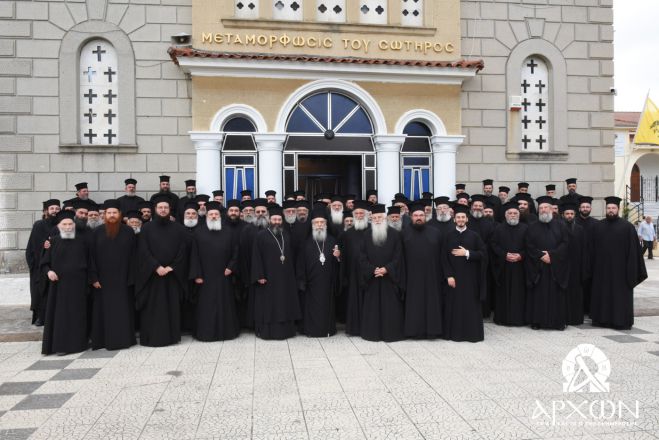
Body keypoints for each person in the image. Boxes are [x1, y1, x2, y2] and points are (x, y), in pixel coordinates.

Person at [135, 196, 188, 347]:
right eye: (160, 208)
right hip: (152, 276)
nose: (163, 210)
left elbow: (182, 250)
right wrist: (156, 267)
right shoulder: (146, 228)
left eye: (166, 207)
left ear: (169, 210)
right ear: (155, 210)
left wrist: (172, 267)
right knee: (152, 308)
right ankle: (152, 337)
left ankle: (171, 337)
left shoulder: (178, 228)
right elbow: (143, 251)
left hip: (172, 275)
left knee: (171, 307)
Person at [590, 197, 647, 330]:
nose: (611, 210)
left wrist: (631, 270)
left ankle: (620, 321)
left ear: (618, 209)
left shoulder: (627, 227)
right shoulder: (598, 226)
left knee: (619, 297)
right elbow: (592, 249)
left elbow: (634, 252)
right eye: (608, 208)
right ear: (606, 209)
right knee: (602, 295)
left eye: (613, 208)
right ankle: (601, 320)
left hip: (621, 272)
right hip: (601, 270)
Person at [88, 200, 137, 350]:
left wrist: (132, 277)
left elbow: (134, 256)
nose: (112, 215)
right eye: (109, 213)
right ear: (104, 215)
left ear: (120, 215)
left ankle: (124, 340)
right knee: (103, 312)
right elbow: (91, 257)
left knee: (123, 311)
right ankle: (102, 340)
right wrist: (94, 278)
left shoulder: (128, 232)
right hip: (102, 281)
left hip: (123, 281)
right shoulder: (96, 232)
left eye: (114, 212)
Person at [189, 202, 240, 341]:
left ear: (220, 216)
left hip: (224, 274)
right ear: (206, 215)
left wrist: (231, 267)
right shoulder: (198, 232)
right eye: (211, 214)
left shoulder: (228, 231)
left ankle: (227, 332)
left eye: (216, 214)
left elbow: (236, 251)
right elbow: (194, 255)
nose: (213, 216)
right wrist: (197, 274)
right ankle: (206, 333)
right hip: (205, 277)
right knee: (206, 306)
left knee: (225, 304)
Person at [41, 211, 91, 355]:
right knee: (61, 316)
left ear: (74, 225)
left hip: (78, 285)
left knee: (78, 315)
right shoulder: (53, 241)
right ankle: (61, 347)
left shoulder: (82, 241)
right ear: (59, 226)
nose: (68, 227)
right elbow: (44, 263)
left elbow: (90, 262)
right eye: (65, 224)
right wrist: (49, 272)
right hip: (59, 286)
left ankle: (78, 345)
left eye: (70, 224)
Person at [251, 205, 301, 339]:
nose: (277, 222)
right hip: (268, 277)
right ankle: (268, 332)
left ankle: (286, 331)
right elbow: (256, 257)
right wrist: (259, 275)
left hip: (286, 277)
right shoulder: (261, 235)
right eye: (274, 219)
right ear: (269, 220)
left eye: (279, 219)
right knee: (269, 305)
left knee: (284, 303)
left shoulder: (286, 235)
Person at [441, 204, 488, 342]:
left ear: (467, 219)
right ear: (454, 219)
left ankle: (471, 334)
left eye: (463, 217)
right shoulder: (448, 236)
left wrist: (467, 253)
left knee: (470, 306)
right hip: (453, 278)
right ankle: (453, 334)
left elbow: (483, 254)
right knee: (453, 306)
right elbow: (443, 257)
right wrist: (448, 275)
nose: (460, 219)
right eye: (458, 217)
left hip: (470, 279)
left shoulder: (474, 236)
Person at [358, 204, 405, 342]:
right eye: (375, 218)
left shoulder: (395, 234)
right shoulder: (366, 235)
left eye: (380, 217)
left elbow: (398, 256)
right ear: (371, 219)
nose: (377, 220)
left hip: (389, 279)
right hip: (372, 278)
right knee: (372, 308)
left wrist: (387, 269)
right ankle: (371, 334)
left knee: (390, 308)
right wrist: (373, 269)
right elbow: (361, 257)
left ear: (385, 218)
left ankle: (391, 334)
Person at [524, 196, 570, 330]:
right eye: (541, 208)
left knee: (556, 295)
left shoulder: (561, 226)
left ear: (551, 210)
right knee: (539, 296)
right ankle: (537, 322)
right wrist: (541, 255)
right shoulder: (532, 227)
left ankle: (558, 323)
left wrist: (552, 255)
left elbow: (565, 244)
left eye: (546, 208)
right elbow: (529, 245)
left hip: (556, 267)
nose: (543, 210)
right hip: (538, 267)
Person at [401, 202, 444, 339]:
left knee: (431, 303)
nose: (418, 217)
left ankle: (432, 331)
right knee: (414, 304)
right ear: (411, 216)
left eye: (421, 215)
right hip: (411, 277)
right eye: (415, 215)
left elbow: (442, 255)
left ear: (425, 216)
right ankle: (413, 332)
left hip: (432, 276)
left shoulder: (435, 233)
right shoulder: (403, 233)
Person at [296, 207, 341, 337]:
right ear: (312, 224)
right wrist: (302, 281)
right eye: (317, 222)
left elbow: (338, 263)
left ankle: (328, 330)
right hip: (311, 284)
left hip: (327, 283)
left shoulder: (332, 241)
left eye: (322, 222)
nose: (319, 225)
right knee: (311, 309)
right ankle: (311, 330)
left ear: (326, 224)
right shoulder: (305, 243)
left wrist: (338, 256)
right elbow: (300, 264)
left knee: (326, 308)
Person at [489, 203, 528, 326]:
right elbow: (493, 245)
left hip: (520, 267)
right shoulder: (498, 228)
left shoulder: (525, 228)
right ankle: (502, 318)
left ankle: (519, 319)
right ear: (505, 215)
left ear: (519, 215)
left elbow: (530, 246)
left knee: (519, 293)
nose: (512, 215)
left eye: (515, 213)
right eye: (510, 213)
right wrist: (505, 255)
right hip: (503, 266)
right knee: (503, 293)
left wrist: (521, 255)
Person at [337, 200, 370, 334]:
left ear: (366, 214)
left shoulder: (373, 230)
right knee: (354, 301)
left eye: (362, 213)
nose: (359, 215)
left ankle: (368, 326)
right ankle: (355, 328)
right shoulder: (346, 234)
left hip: (370, 273)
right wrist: (338, 256)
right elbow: (342, 255)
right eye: (357, 213)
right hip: (353, 274)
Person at [26, 199, 60, 326]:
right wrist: (43, 245)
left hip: (56, 264)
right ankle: (41, 316)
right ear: (46, 211)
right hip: (40, 265)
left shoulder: (62, 224)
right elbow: (32, 246)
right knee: (40, 292)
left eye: (57, 208)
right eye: (52, 208)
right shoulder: (39, 225)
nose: (55, 211)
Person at [561, 202, 589, 326]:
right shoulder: (558, 227)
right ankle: (563, 318)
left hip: (576, 267)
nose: (569, 216)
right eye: (567, 214)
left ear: (575, 215)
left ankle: (575, 319)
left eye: (572, 214)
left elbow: (584, 250)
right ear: (563, 215)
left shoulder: (580, 229)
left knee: (576, 294)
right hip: (562, 267)